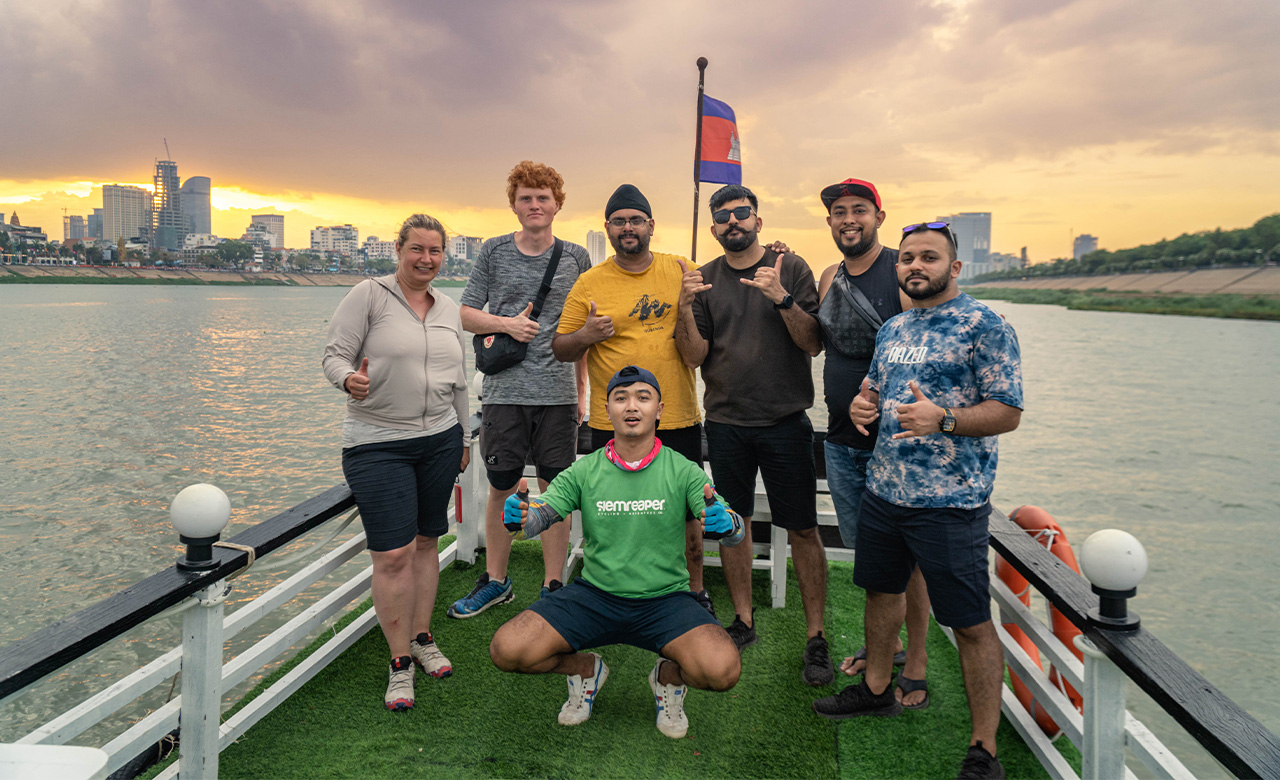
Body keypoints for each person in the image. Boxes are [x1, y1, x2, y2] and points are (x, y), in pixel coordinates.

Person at [811, 222, 1023, 780]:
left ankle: (984, 750)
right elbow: (876, 388)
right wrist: (863, 404)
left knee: (971, 623)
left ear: (954, 268)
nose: (915, 266)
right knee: (881, 594)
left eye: (929, 257)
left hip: (950, 503)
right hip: (884, 490)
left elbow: (1008, 411)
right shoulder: (895, 327)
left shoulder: (986, 325)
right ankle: (877, 686)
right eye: (907, 258)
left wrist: (945, 418)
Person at [489, 365, 745, 738]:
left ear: (659, 410)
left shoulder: (683, 470)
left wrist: (729, 526)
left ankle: (667, 677)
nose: (632, 406)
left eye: (643, 397)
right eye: (621, 397)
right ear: (605, 410)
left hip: (665, 600)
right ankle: (585, 669)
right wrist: (519, 519)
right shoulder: (585, 470)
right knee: (507, 649)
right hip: (595, 596)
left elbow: (728, 522)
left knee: (723, 670)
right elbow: (541, 517)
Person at [674, 183, 833, 687]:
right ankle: (743, 619)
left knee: (804, 527)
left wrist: (780, 297)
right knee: (733, 523)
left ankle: (816, 635)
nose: (731, 223)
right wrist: (683, 307)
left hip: (785, 421)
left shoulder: (792, 267)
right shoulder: (704, 279)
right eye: (722, 217)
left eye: (741, 213)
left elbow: (812, 344)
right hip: (726, 422)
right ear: (715, 226)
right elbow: (695, 356)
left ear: (758, 220)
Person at [322, 213, 469, 710]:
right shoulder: (368, 295)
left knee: (428, 540)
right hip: (377, 442)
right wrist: (348, 380)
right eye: (417, 250)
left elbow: (460, 379)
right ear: (399, 251)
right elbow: (333, 356)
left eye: (435, 251)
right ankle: (399, 661)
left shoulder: (448, 306)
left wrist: (465, 435)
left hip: (441, 440)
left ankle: (424, 637)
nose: (426, 259)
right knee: (392, 555)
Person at [552, 184, 711, 612]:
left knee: (689, 513)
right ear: (607, 228)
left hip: (675, 413)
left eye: (635, 220)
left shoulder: (681, 269)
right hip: (614, 422)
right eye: (619, 221)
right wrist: (587, 335)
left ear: (651, 226)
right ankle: (607, 587)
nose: (628, 227)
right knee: (611, 509)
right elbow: (561, 346)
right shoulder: (590, 282)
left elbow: (702, 346)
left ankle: (694, 590)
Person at [448, 161, 592, 618]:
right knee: (502, 488)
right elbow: (466, 313)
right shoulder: (492, 251)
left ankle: (553, 585)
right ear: (513, 204)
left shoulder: (575, 257)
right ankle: (496, 581)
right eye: (526, 197)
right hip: (504, 392)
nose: (534, 205)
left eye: (543, 197)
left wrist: (583, 390)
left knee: (555, 491)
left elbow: (583, 332)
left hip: (558, 393)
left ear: (557, 204)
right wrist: (507, 323)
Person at [814, 178, 929, 709]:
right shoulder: (829, 276)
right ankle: (886, 647)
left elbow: (922, 357)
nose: (848, 219)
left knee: (910, 559)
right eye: (839, 212)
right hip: (841, 440)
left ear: (879, 216)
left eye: (859, 209)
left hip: (899, 444)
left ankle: (919, 660)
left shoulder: (898, 273)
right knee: (872, 559)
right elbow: (817, 341)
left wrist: (879, 401)